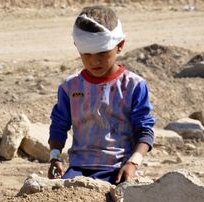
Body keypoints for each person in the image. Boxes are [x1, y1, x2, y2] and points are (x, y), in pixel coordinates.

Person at [48, 6, 155, 185]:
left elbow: (145, 130)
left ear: (120, 45)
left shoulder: (133, 85)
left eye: (103, 53)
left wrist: (133, 163)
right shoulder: (70, 87)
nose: (94, 61)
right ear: (77, 48)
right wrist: (55, 158)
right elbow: (59, 126)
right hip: (78, 169)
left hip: (119, 169)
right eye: (87, 54)